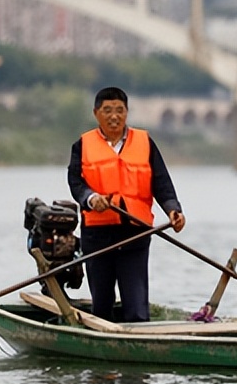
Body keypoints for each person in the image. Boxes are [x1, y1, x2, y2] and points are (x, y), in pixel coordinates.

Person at [68, 86, 185, 322]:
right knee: (101, 304)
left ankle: (138, 342)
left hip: (135, 232)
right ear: (96, 113)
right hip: (98, 234)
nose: (114, 116)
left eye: (120, 110)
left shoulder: (144, 142)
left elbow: (161, 183)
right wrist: (91, 199)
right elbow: (76, 183)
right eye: (108, 110)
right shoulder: (83, 145)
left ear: (127, 113)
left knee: (136, 304)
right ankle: (102, 342)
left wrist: (174, 210)